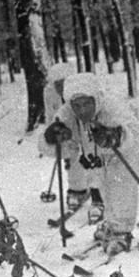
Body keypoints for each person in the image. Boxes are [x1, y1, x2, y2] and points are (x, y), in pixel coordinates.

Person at [38, 72, 139, 255]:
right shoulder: (67, 113)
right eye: (77, 105)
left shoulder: (113, 106)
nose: (82, 111)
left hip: (123, 152)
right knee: (104, 187)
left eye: (87, 104)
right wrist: (52, 137)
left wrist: (116, 136)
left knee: (121, 186)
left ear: (95, 98)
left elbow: (136, 137)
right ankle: (112, 224)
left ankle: (122, 231)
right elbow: (60, 148)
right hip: (95, 154)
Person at [43, 62, 88, 211]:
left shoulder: (80, 90)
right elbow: (50, 114)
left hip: (84, 127)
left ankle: (95, 190)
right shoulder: (49, 93)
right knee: (72, 157)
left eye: (63, 84)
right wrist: (54, 130)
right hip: (66, 130)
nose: (60, 88)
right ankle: (77, 190)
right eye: (57, 85)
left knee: (88, 157)